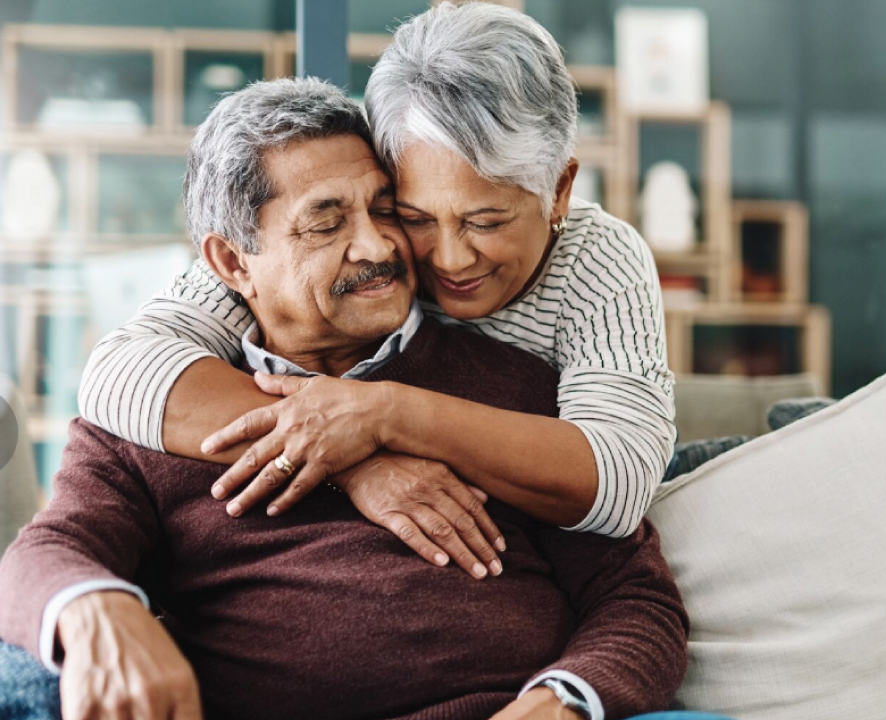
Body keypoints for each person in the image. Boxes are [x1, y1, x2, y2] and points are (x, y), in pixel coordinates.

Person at [0, 77, 688, 720]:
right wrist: (93, 607)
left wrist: (565, 700)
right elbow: (44, 553)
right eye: (326, 224)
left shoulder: (514, 389)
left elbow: (635, 598)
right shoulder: (154, 416)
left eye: (385, 208)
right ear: (234, 264)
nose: (378, 244)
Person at [75, 2, 676, 576]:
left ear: (561, 191)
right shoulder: (353, 250)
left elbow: (620, 483)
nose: (448, 258)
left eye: (485, 222)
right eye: (412, 215)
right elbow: (120, 373)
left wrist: (385, 413)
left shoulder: (598, 260)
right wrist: (357, 457)